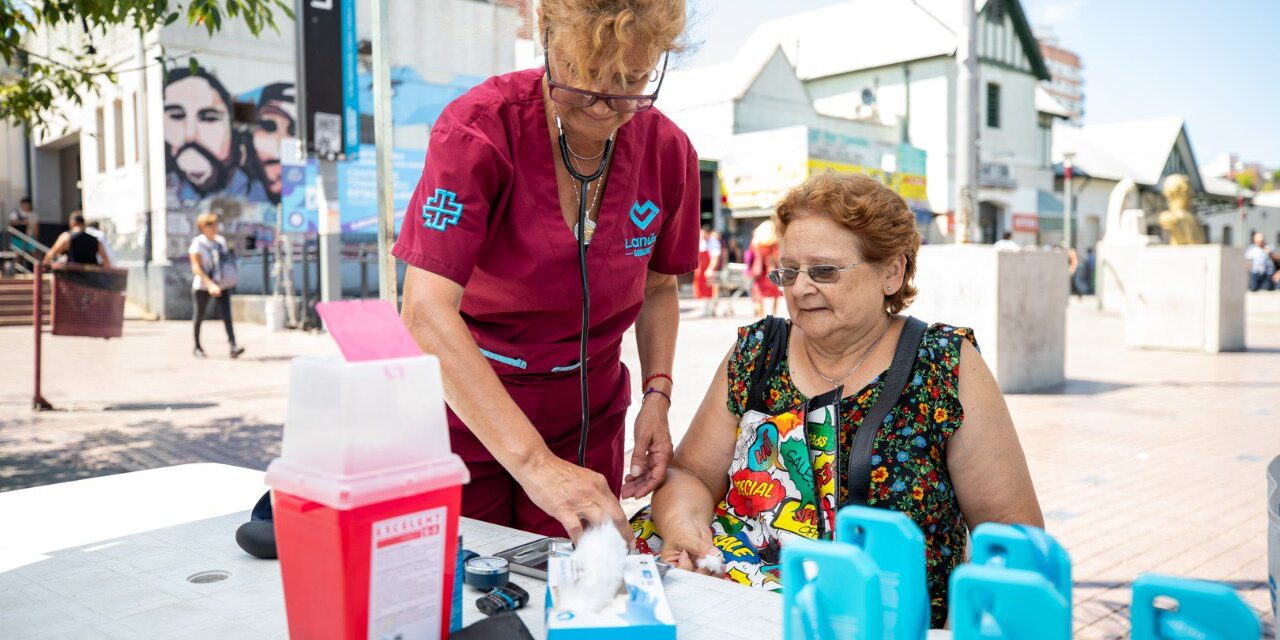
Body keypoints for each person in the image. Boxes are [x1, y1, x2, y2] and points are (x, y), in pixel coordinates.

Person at [634, 172, 1042, 627]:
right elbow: (690, 473)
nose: (800, 288)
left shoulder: (944, 365)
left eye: (824, 271)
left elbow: (1010, 533)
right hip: (734, 609)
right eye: (788, 271)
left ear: (892, 272)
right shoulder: (757, 352)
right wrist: (684, 530)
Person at [392, 0, 698, 541]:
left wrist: (658, 393)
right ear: (546, 36)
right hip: (472, 403)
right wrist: (534, 464)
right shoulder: (479, 130)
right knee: (466, 583)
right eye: (582, 74)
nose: (605, 106)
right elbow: (423, 310)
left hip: (590, 412)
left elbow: (659, 285)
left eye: (631, 80)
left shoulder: (668, 151)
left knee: (581, 583)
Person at [189, 212, 244, 359]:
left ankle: (233, 346)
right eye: (210, 225)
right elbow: (196, 268)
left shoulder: (220, 242)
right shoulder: (197, 245)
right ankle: (197, 346)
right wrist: (210, 284)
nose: (214, 227)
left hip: (221, 284)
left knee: (227, 315)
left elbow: (224, 262)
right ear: (202, 227)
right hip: (203, 286)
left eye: (215, 224)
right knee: (199, 316)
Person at [43, 212, 111, 267]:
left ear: (72, 224)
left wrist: (44, 266)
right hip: (91, 277)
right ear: (83, 224)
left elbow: (52, 253)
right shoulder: (95, 240)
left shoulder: (66, 237)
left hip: (73, 276)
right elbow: (106, 260)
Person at [749, 219, 782, 316]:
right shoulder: (775, 244)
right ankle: (773, 315)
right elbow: (778, 258)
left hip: (760, 274)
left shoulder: (756, 244)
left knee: (759, 296)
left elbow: (749, 258)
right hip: (772, 273)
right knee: (775, 295)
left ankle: (762, 317)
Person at [694, 225, 717, 315]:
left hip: (709, 270)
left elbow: (715, 257)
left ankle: (710, 309)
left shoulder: (713, 241)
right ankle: (704, 309)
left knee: (709, 290)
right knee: (700, 290)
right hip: (701, 270)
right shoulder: (700, 241)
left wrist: (710, 269)